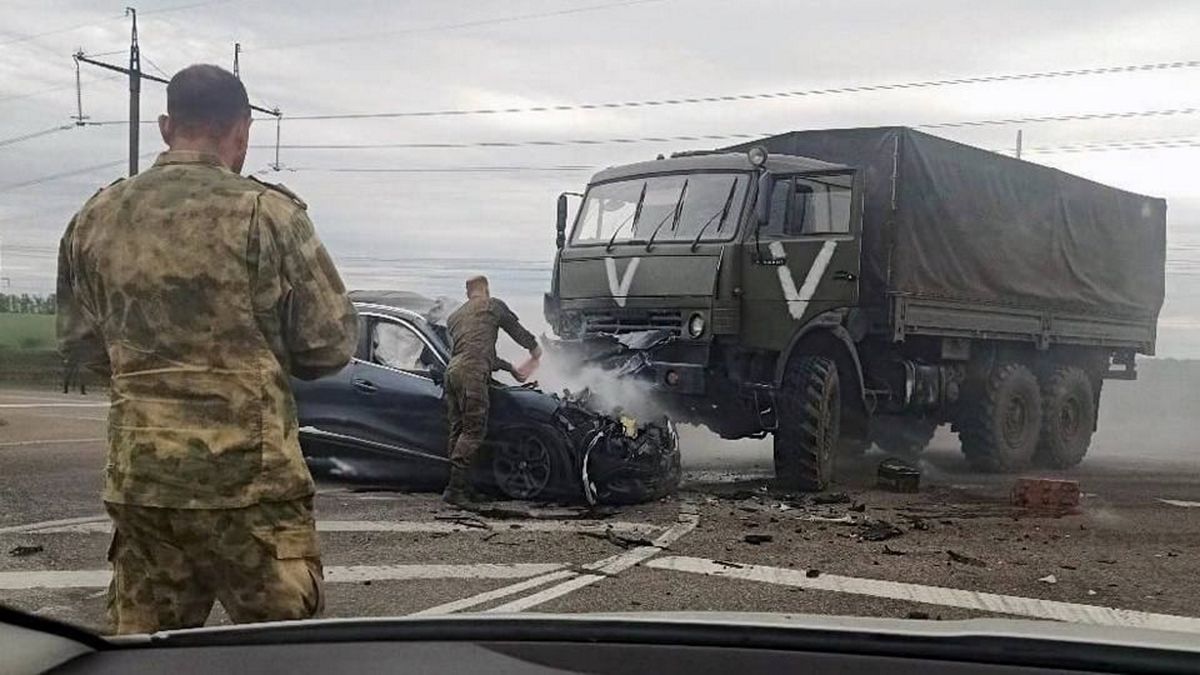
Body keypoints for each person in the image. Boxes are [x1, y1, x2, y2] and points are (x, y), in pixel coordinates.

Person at [55, 64, 357, 634]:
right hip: (251, 491)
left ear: (167, 127)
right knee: (285, 656)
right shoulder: (269, 215)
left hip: (143, 485)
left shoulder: (93, 219)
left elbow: (79, 343)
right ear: (241, 132)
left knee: (143, 656)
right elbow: (329, 344)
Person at [442, 275, 541, 506]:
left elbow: (479, 353)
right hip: (471, 375)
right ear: (485, 289)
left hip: (453, 374)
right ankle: (455, 491)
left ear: (468, 293)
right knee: (473, 432)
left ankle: (463, 487)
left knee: (458, 431)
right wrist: (535, 349)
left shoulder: (454, 317)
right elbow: (516, 331)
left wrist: (511, 370)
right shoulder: (493, 305)